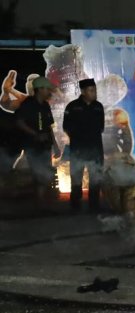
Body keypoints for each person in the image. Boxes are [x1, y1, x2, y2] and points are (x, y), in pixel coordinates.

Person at [15, 76, 59, 208]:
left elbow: (49, 127)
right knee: (38, 173)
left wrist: (55, 145)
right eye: (47, 89)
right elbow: (19, 122)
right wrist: (35, 134)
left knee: (45, 173)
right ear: (39, 89)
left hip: (46, 146)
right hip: (32, 146)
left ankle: (42, 202)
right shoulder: (28, 104)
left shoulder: (45, 105)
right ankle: (39, 203)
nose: (49, 92)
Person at [63, 78, 104, 213]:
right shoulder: (72, 106)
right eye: (91, 90)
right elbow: (66, 127)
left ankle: (94, 205)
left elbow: (101, 127)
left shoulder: (98, 106)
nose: (94, 93)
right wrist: (78, 139)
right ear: (83, 91)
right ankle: (75, 205)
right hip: (78, 150)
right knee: (76, 178)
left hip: (95, 149)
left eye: (95, 90)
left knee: (95, 178)